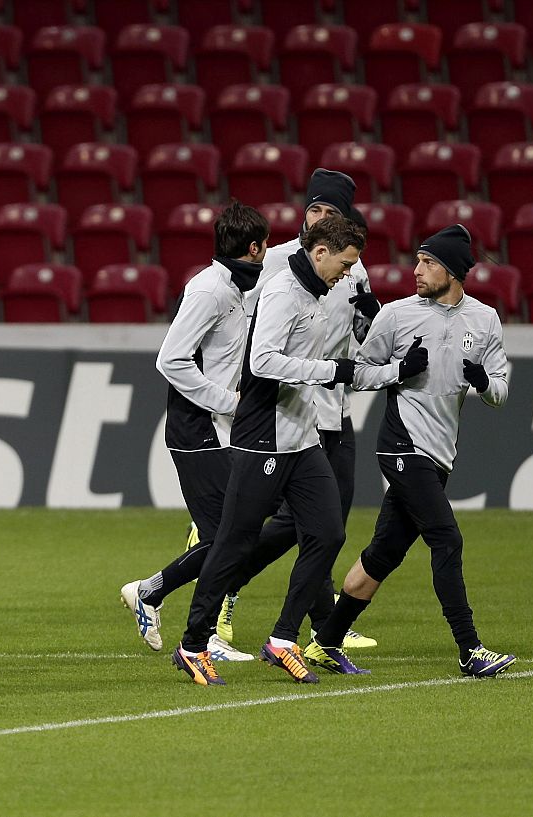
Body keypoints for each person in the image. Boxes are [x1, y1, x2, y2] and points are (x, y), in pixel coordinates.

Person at [173, 215, 422, 686]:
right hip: (264, 434)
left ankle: (283, 640)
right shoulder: (284, 291)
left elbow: (341, 369)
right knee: (234, 541)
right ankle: (192, 643)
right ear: (321, 252)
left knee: (328, 533)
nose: (348, 274)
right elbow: (263, 361)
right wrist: (330, 369)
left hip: (302, 437)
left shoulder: (320, 295)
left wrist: (397, 371)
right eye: (345, 264)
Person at [309, 225, 517, 678]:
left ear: (454, 271)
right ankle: (470, 649)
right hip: (401, 445)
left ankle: (324, 641)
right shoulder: (397, 316)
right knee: (447, 538)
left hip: (440, 452)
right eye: (418, 260)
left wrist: (483, 383)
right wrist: (398, 371)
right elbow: (359, 371)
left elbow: (501, 389)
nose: (416, 270)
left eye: (429, 263)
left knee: (384, 554)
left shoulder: (485, 320)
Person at [215, 170, 380, 653]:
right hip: (283, 413)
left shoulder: (355, 268)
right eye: (314, 209)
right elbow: (248, 334)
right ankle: (228, 586)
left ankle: (321, 624)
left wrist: (373, 320)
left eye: (329, 212)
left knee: (327, 525)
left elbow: (362, 340)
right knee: (291, 523)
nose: (319, 219)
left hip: (335, 412)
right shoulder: (279, 264)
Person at [118, 202, 267, 662]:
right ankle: (195, 630)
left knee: (230, 537)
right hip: (198, 429)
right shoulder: (208, 291)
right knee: (231, 538)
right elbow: (170, 360)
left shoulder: (240, 286)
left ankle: (151, 593)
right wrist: (230, 403)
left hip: (223, 429)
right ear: (255, 247)